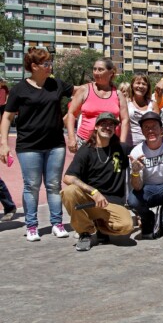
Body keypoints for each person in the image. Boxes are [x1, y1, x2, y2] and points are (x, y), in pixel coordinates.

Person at [0, 47, 75, 241]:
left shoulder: (56, 84)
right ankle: (31, 226)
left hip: (55, 145)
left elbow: (80, 92)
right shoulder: (19, 89)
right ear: (34, 66)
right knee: (31, 186)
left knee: (53, 185)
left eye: (50, 63)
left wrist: (71, 116)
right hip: (29, 146)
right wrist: (3, 144)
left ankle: (57, 223)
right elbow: (7, 117)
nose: (50, 66)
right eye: (46, 63)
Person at [61, 112, 133, 251]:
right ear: (96, 127)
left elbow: (144, 149)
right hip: (91, 201)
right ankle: (85, 232)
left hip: (112, 202)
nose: (107, 127)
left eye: (111, 124)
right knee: (69, 191)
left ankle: (100, 227)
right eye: (104, 124)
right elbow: (68, 177)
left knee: (126, 227)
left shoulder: (121, 148)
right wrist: (94, 191)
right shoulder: (86, 150)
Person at [67, 57, 129, 151]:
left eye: (100, 69)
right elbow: (71, 114)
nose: (96, 72)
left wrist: (122, 143)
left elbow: (125, 120)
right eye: (94, 69)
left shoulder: (118, 94)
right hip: (85, 142)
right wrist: (71, 138)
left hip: (110, 143)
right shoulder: (84, 90)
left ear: (111, 73)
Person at [127, 73, 160, 147]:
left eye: (144, 84)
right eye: (138, 83)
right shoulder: (126, 103)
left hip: (150, 145)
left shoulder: (153, 104)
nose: (141, 86)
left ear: (148, 87)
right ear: (132, 85)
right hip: (130, 144)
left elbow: (157, 125)